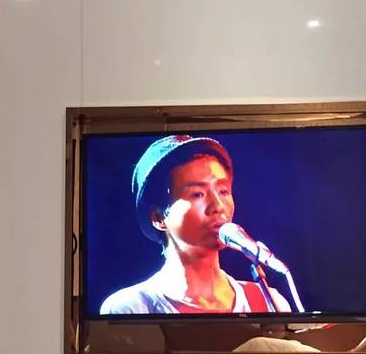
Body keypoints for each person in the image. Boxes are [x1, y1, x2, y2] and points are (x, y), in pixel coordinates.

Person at [100, 135, 292, 314]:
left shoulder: (268, 302)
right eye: (197, 194)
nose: (218, 206)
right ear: (158, 218)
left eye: (223, 191)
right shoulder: (130, 308)